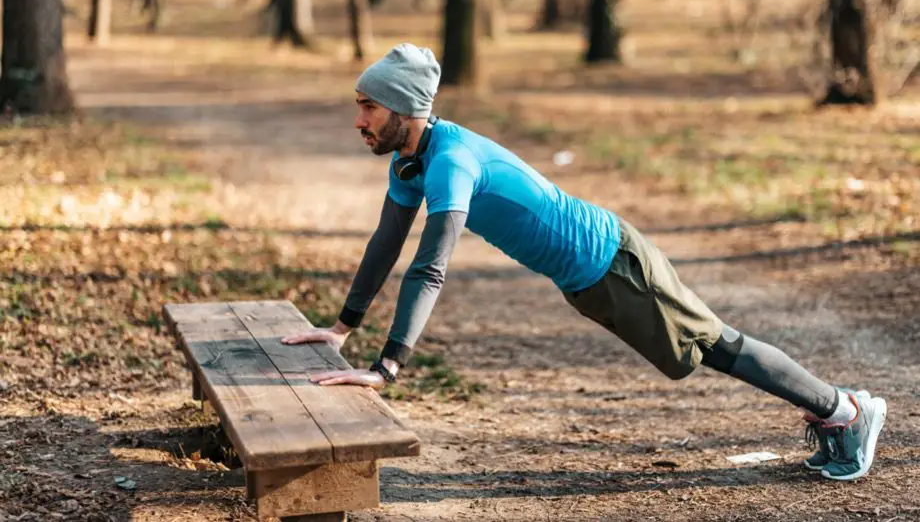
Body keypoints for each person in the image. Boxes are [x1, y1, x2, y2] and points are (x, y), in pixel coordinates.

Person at [281, 43, 887, 482]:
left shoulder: (450, 162)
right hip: (588, 277)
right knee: (705, 352)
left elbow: (430, 266)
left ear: (404, 109)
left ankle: (846, 410)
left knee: (717, 346)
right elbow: (386, 243)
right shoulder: (411, 161)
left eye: (369, 107)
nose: (359, 120)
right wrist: (342, 326)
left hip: (617, 263)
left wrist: (387, 368)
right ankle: (838, 406)